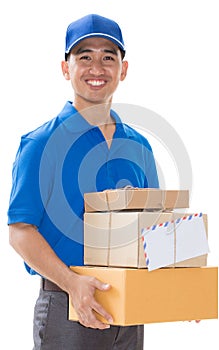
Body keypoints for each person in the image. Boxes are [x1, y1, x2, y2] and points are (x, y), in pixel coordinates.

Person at [7, 14, 159, 350]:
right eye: (84, 56)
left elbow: (155, 227)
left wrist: (177, 287)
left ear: (124, 69)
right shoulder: (41, 144)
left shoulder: (139, 146)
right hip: (66, 307)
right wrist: (73, 283)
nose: (97, 68)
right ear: (66, 68)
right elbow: (20, 231)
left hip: (131, 307)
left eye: (108, 57)